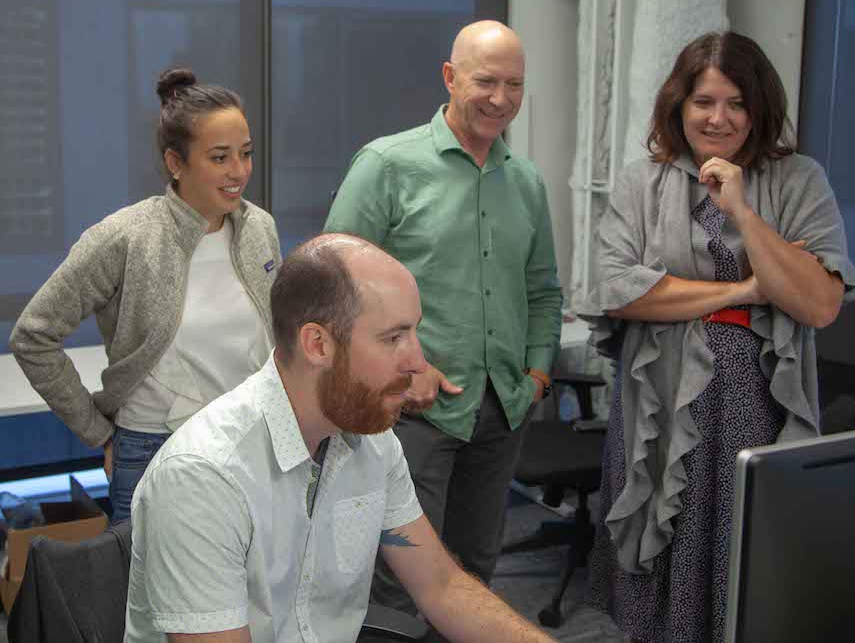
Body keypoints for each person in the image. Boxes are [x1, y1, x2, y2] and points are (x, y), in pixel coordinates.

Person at [123, 233, 558, 643]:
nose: (418, 361)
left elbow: (442, 587)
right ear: (318, 345)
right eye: (394, 337)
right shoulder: (204, 477)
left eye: (414, 331)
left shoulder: (373, 442)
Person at [580, 32, 855, 643]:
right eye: (703, 100)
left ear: (758, 108)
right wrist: (744, 291)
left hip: (754, 407)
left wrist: (742, 211)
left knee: (744, 554)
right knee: (658, 554)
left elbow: (818, 302)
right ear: (678, 106)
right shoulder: (641, 183)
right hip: (653, 403)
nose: (718, 117)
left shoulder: (798, 181)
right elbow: (617, 288)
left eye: (736, 102)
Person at [324, 20, 563, 614]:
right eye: (486, 81)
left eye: (515, 85)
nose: (500, 99)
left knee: (476, 569)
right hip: (411, 414)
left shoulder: (527, 182)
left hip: (502, 411)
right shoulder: (388, 165)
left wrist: (536, 376)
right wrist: (404, 370)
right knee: (401, 580)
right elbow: (332, 284)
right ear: (451, 78)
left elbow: (543, 292)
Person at [9, 68, 280, 522]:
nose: (239, 172)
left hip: (250, 439)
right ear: (176, 163)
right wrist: (98, 432)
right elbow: (33, 336)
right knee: (149, 592)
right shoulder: (126, 237)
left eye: (246, 154)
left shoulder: (260, 230)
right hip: (155, 447)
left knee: (249, 587)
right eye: (219, 158)